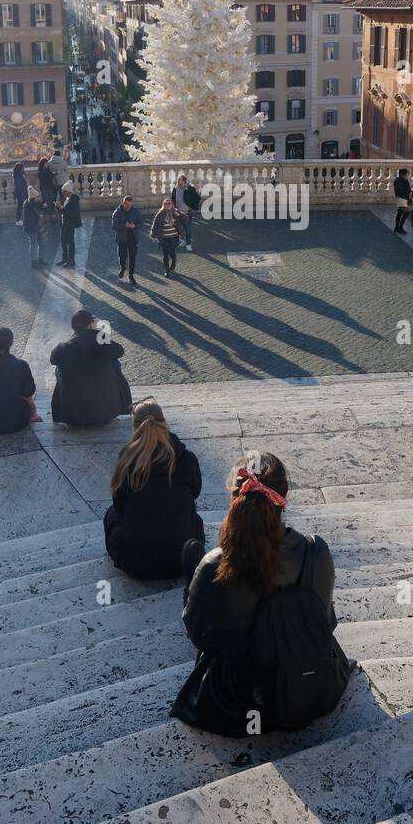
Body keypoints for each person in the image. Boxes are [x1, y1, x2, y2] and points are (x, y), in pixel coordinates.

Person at [171, 451, 352, 737]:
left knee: (192, 557)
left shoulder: (213, 566)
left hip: (239, 700)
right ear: (284, 497)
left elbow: (200, 636)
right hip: (312, 684)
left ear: (236, 498)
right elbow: (326, 623)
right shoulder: (316, 552)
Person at [103, 400, 205, 579]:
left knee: (111, 514)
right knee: (192, 516)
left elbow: (119, 505)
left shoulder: (127, 460)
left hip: (135, 564)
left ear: (135, 428)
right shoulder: (187, 459)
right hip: (182, 559)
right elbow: (195, 492)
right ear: (165, 422)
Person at [50, 308, 132, 426]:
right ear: (90, 325)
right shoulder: (102, 340)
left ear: (73, 327)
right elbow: (120, 351)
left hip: (72, 416)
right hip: (107, 413)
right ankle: (122, 401)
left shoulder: (64, 348)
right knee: (114, 362)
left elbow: (53, 360)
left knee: (59, 367)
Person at [0, 327, 40, 434]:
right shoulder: (21, 365)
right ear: (11, 343)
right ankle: (34, 415)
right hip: (17, 422)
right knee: (27, 397)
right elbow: (29, 391)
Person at [150, 196, 186, 277]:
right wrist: (152, 234)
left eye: (169, 203)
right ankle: (167, 271)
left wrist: (179, 215)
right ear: (163, 205)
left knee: (172, 251)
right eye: (165, 204)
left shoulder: (175, 211)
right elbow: (155, 224)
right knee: (165, 254)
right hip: (164, 238)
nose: (167, 205)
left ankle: (174, 259)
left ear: (172, 204)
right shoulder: (160, 213)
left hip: (174, 237)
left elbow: (185, 219)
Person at [112, 194, 142, 286]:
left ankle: (131, 276)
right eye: (127, 205)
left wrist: (135, 226)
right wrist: (124, 226)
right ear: (123, 203)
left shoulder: (136, 211)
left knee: (132, 257)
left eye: (130, 205)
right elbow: (114, 226)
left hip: (133, 238)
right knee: (122, 256)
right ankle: (123, 268)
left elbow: (141, 224)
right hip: (122, 238)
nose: (128, 207)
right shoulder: (117, 212)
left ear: (132, 203)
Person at [58, 179, 82, 268]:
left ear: (68, 191)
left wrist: (62, 208)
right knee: (64, 241)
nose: (63, 194)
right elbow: (65, 210)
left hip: (69, 224)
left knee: (70, 242)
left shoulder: (74, 200)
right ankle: (65, 258)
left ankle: (71, 260)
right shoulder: (67, 198)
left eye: (64, 192)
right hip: (65, 223)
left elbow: (72, 212)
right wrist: (59, 208)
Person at [173, 173, 200, 251]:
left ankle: (188, 244)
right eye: (178, 180)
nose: (178, 182)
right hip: (177, 212)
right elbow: (173, 198)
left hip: (187, 213)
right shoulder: (175, 188)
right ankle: (183, 241)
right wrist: (174, 208)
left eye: (180, 181)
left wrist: (192, 207)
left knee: (187, 229)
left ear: (184, 181)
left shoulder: (189, 188)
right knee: (179, 229)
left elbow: (197, 198)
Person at [393, 167, 412, 235]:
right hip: (400, 199)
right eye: (406, 175)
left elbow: (408, 188)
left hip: (404, 198)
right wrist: (409, 189)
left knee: (400, 213)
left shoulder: (405, 180)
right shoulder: (397, 181)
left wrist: (410, 191)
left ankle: (397, 228)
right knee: (406, 212)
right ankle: (399, 227)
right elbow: (401, 191)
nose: (407, 176)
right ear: (402, 174)